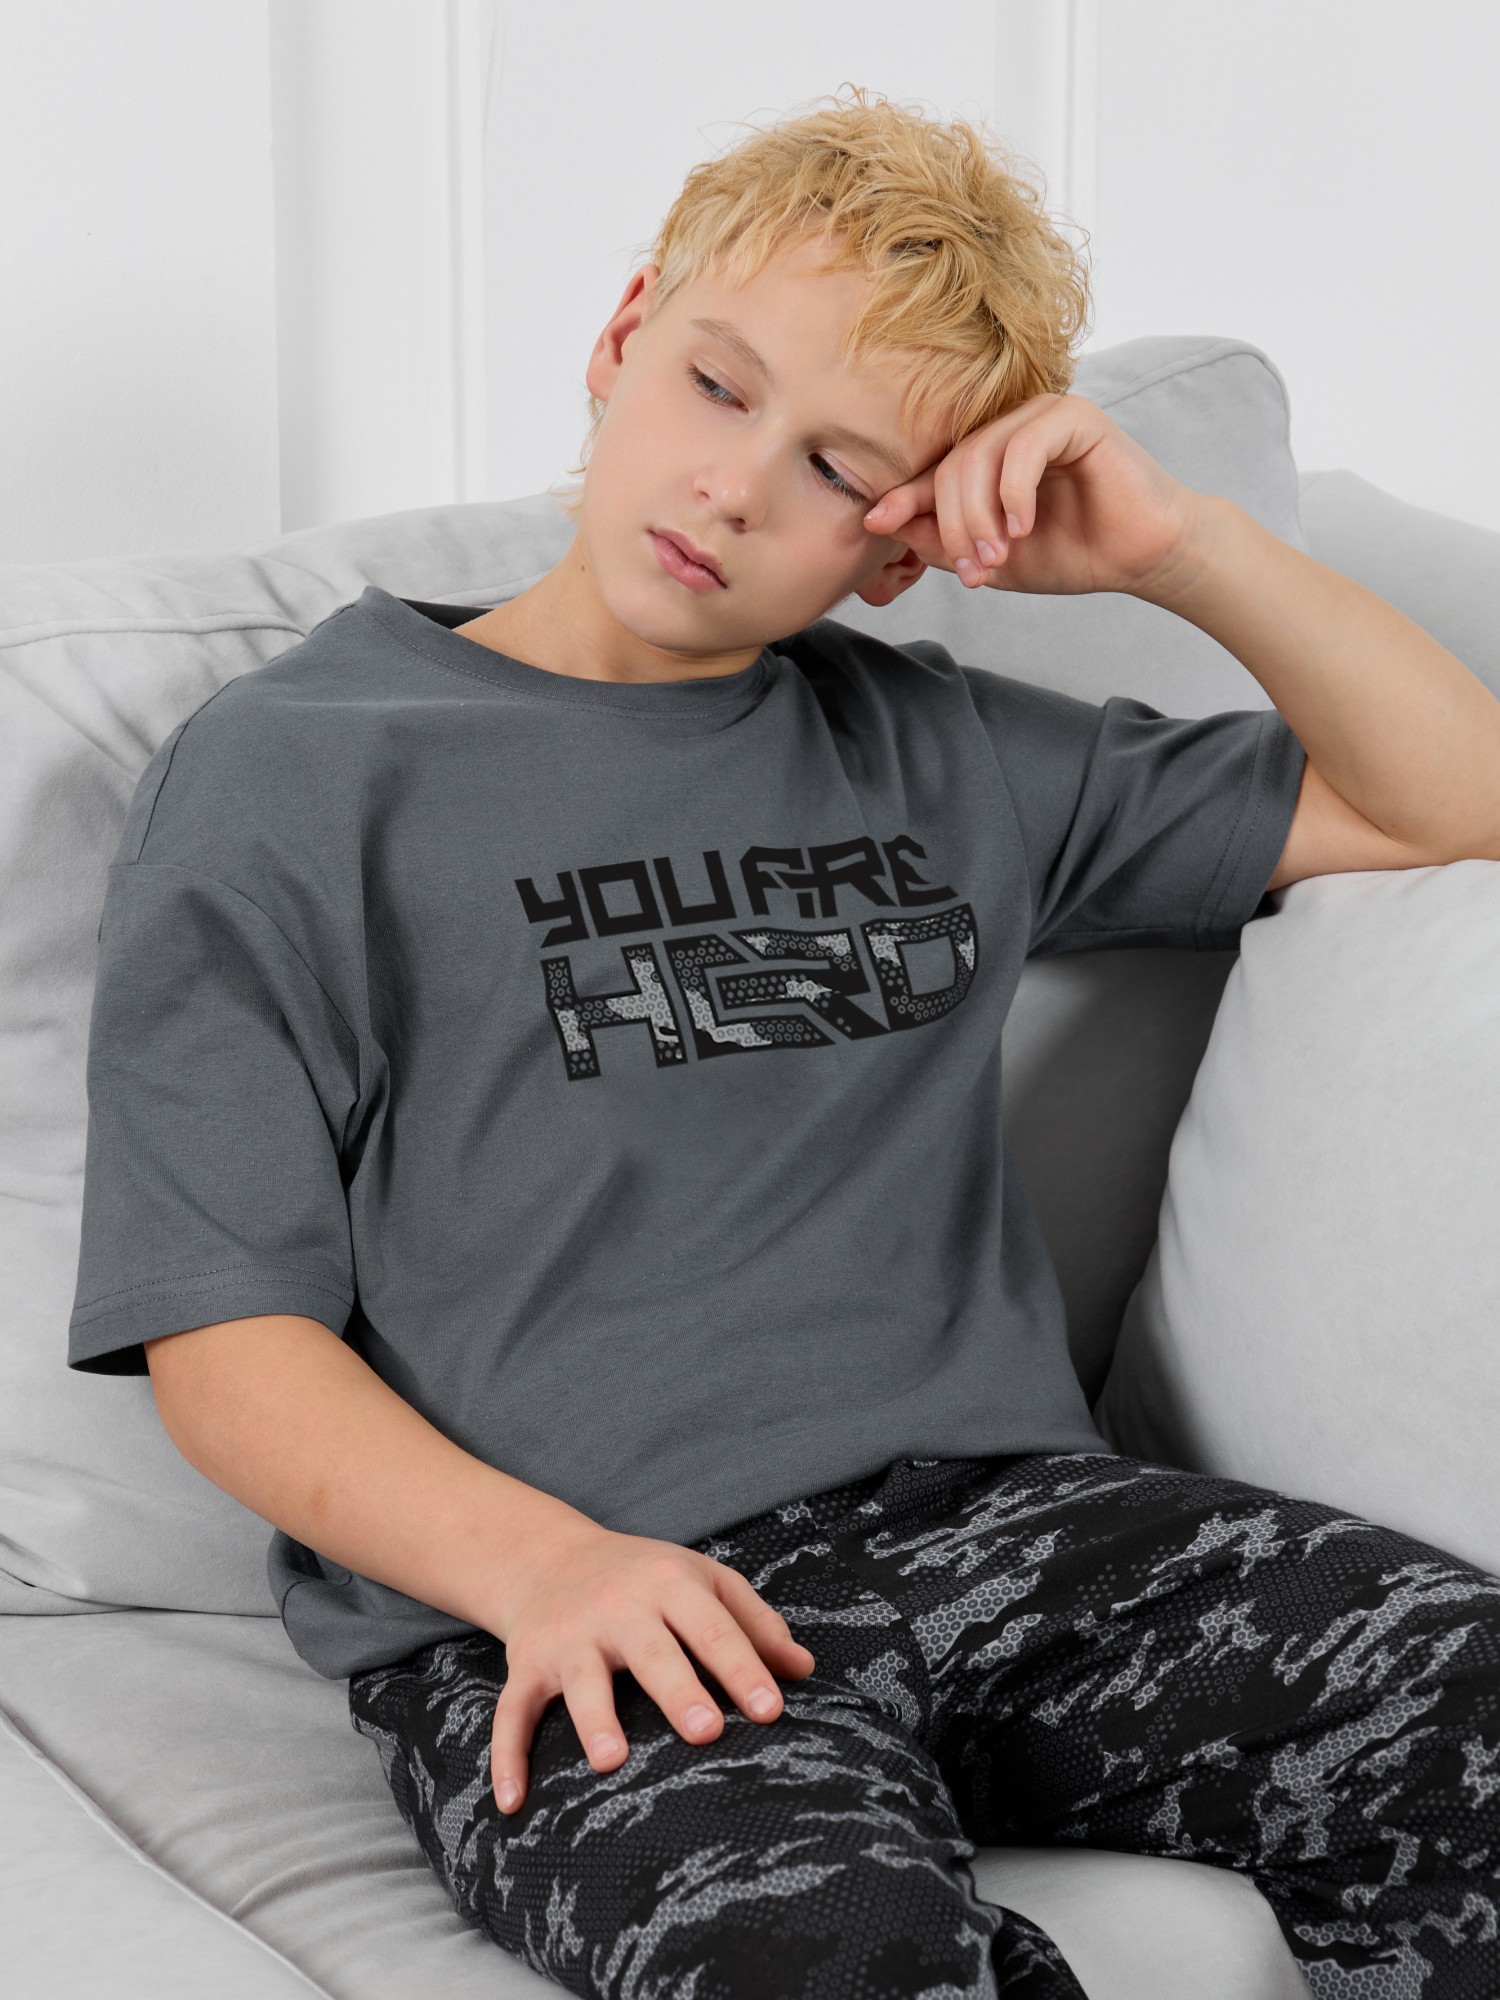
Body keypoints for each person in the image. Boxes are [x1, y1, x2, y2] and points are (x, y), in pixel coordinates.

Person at [67, 84, 1500, 2000]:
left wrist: (1187, 552)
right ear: (620, 336)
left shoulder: (941, 749)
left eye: (837, 466)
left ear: (903, 547)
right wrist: (540, 1570)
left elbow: (1449, 806)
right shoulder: (292, 778)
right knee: (834, 1959)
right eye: (717, 385)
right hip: (580, 1606)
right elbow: (224, 1341)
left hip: (1016, 1530)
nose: (735, 486)